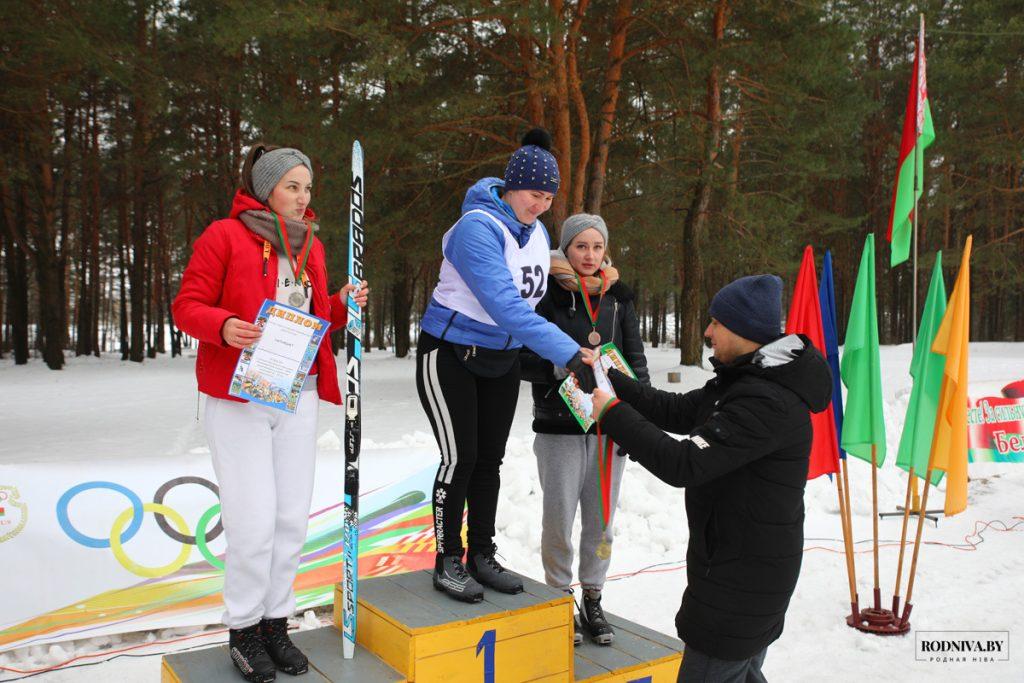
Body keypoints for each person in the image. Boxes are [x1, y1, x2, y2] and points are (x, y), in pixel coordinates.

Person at [173, 143, 369, 683]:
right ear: (266, 189)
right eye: (292, 187)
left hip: (296, 391)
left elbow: (315, 314)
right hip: (239, 395)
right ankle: (243, 629)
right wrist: (223, 326)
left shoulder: (314, 246)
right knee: (253, 522)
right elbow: (186, 304)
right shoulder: (224, 236)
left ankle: (274, 623)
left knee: (289, 520)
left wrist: (341, 301)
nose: (303, 198)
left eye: (308, 188)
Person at [588, 275, 831, 683]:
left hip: (743, 582)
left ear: (745, 330)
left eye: (717, 322)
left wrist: (612, 414)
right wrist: (612, 380)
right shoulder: (748, 380)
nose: (707, 331)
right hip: (739, 570)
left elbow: (684, 464)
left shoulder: (766, 401)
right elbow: (678, 410)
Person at [417, 129, 598, 603]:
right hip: (450, 353)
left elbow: (536, 303)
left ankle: (481, 553)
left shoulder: (536, 233)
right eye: (535, 194)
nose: (542, 205)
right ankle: (447, 559)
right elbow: (504, 305)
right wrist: (567, 352)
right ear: (512, 186)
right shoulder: (478, 226)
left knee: (489, 462)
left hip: (499, 358)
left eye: (549, 198)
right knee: (461, 459)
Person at [520, 213, 649, 646]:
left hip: (609, 426)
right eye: (581, 247)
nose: (590, 256)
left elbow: (636, 359)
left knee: (602, 520)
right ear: (566, 249)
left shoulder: (619, 297)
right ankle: (560, 599)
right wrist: (559, 363)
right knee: (558, 518)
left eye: (597, 247)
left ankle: (593, 597)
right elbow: (523, 359)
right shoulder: (546, 296)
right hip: (557, 426)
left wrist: (636, 420)